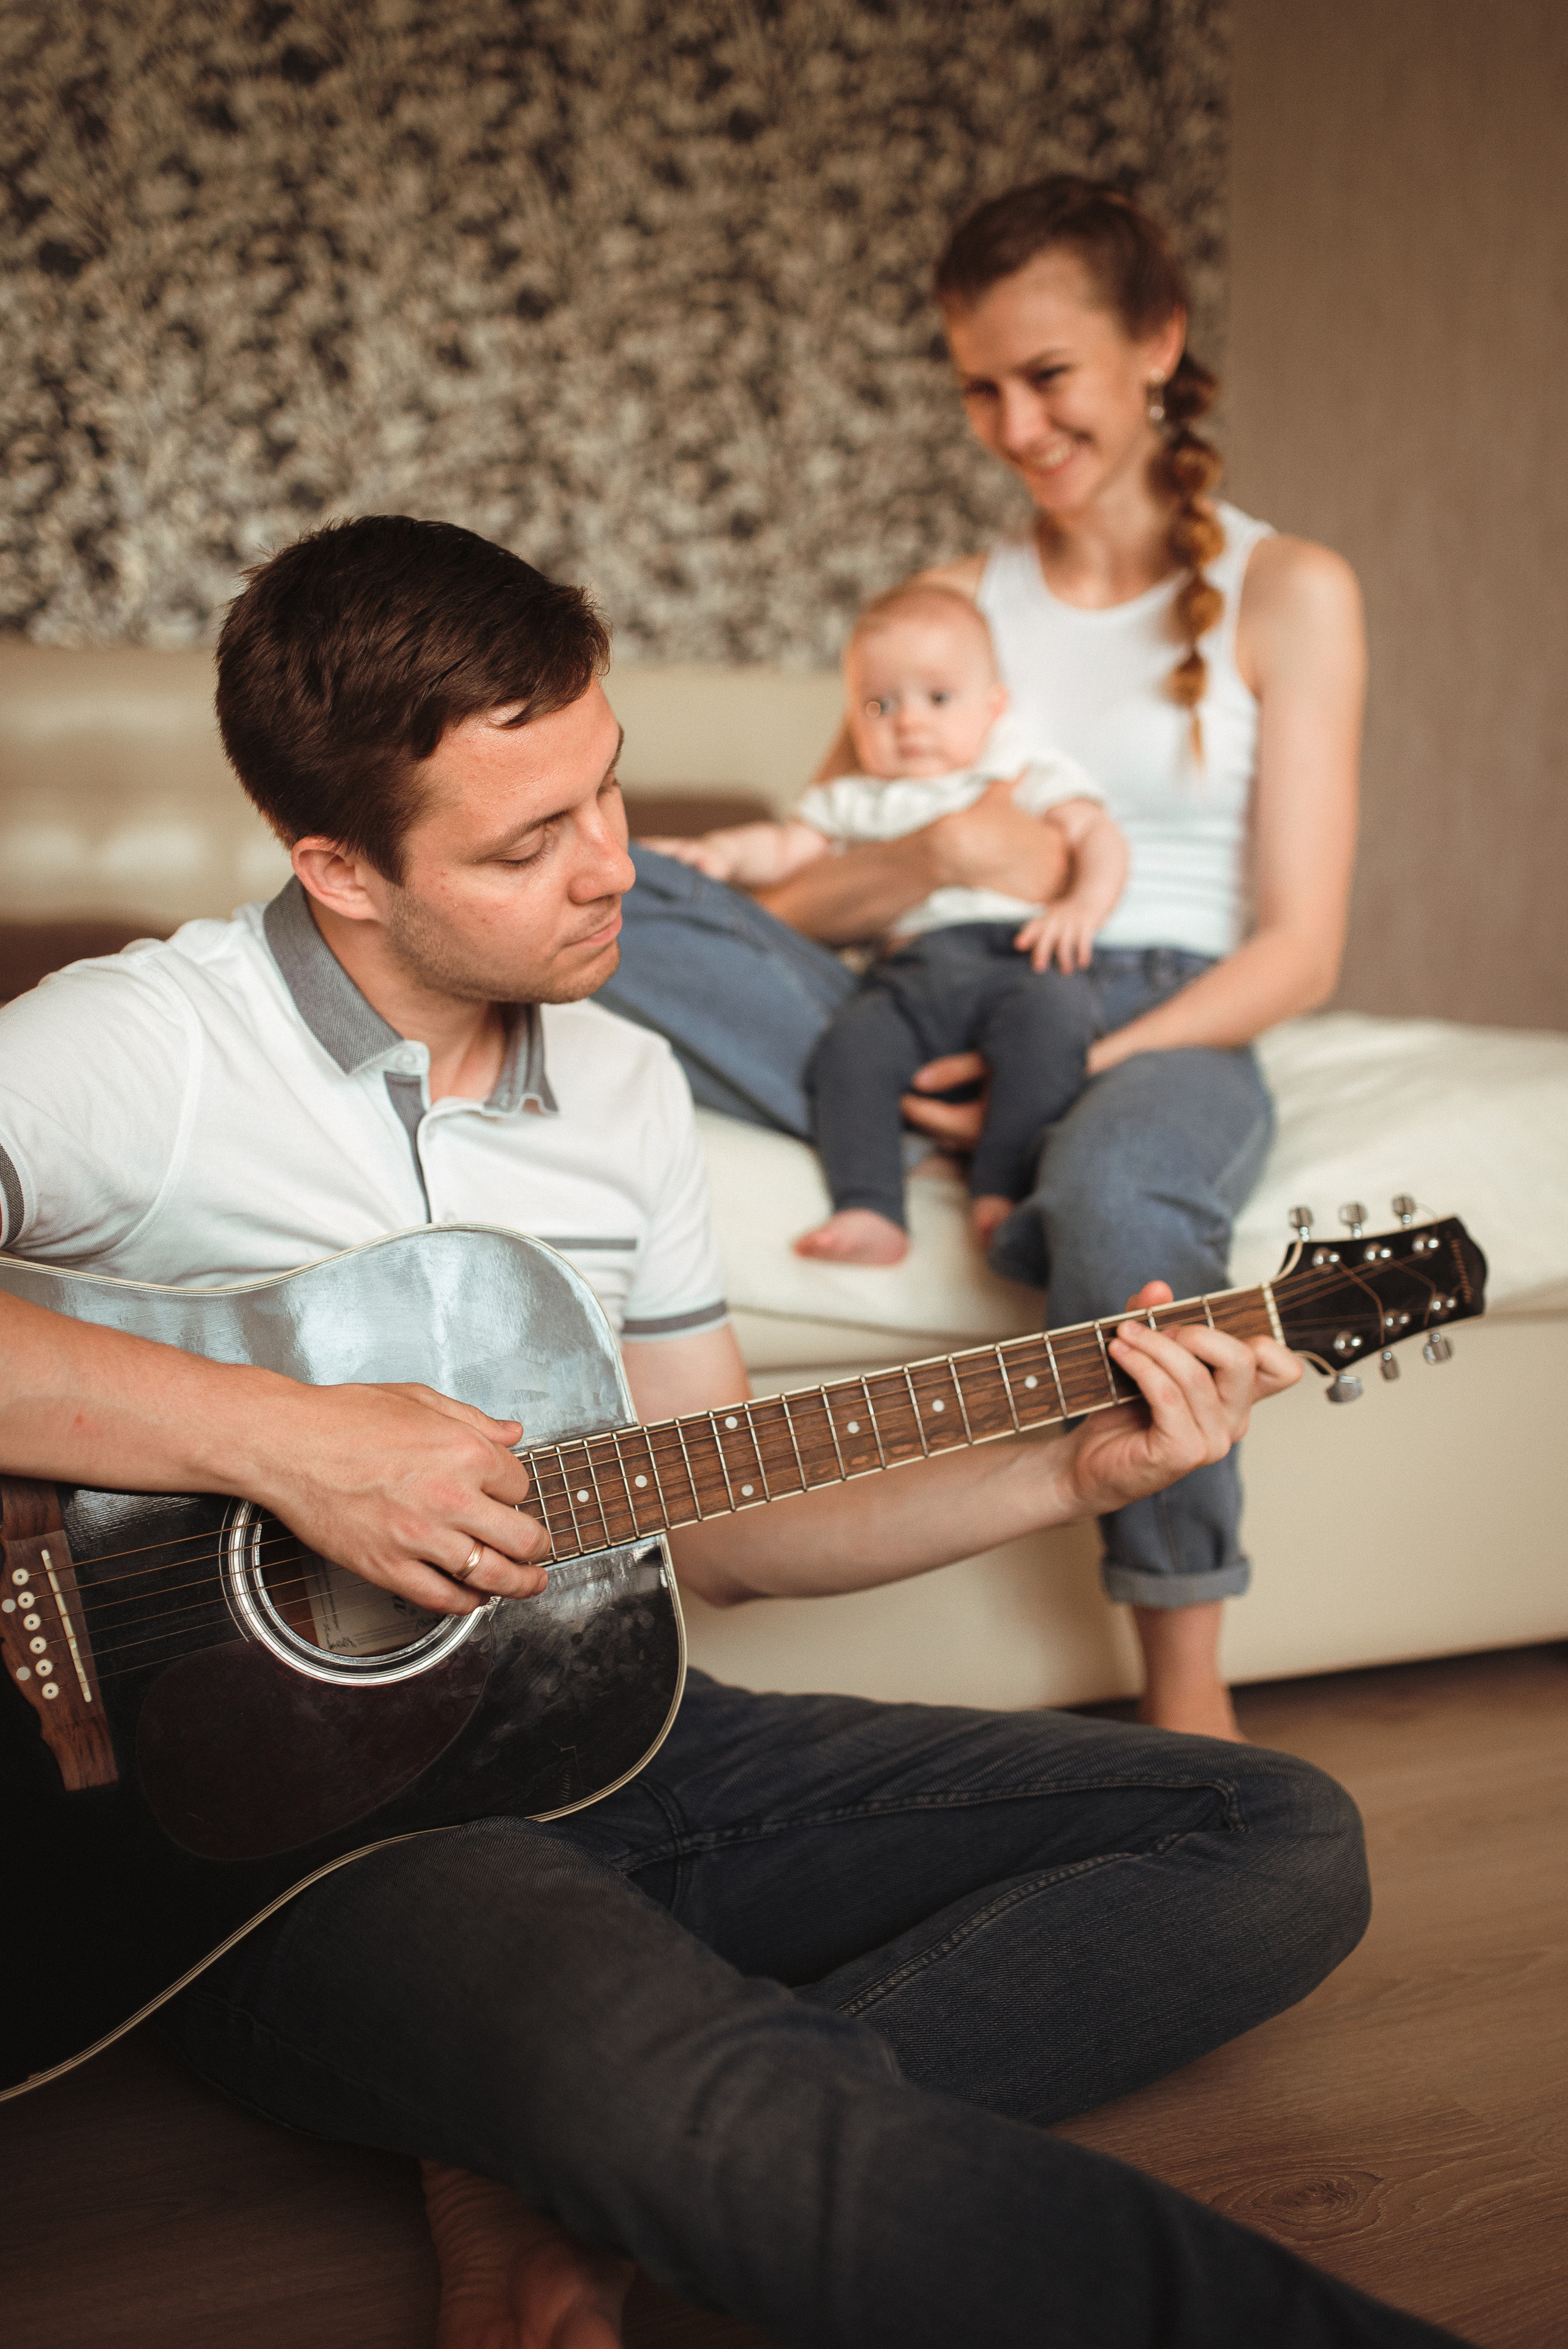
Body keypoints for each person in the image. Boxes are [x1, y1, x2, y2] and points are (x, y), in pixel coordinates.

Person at [1, 519, 1457, 2349]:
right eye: (530, 844)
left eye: (604, 791)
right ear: (339, 871)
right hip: (281, 1829)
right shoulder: (144, 1050)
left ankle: (564, 2138)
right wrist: (279, 1444)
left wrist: (1060, 1472)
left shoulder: (614, 1077)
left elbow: (710, 1517)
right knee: (704, 2099)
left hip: (614, 1730)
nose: (617, 868)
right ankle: (652, 2105)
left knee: (1275, 1838)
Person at [605, 176, 1365, 1745]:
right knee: (614, 886)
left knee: (1116, 1203)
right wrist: (939, 862)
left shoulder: (1290, 593)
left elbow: (1294, 949)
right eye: (977, 386)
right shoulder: (945, 608)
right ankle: (943, 1127)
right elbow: (809, 889)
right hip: (914, 985)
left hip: (1155, 1013)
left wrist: (1055, 1074)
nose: (1013, 424)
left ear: (1154, 344)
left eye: (1047, 376)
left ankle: (1183, 1685)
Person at [643, 583, 1127, 1265]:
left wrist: (1083, 908)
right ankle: (871, 1205)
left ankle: (999, 1190)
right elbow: (785, 850)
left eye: (937, 698)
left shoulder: (1023, 772)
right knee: (850, 1051)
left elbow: (1098, 836)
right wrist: (719, 852)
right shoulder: (861, 799)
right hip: (908, 972)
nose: (908, 722)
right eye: (880, 704)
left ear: (994, 708)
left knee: (1052, 1031)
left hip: (1020, 957)